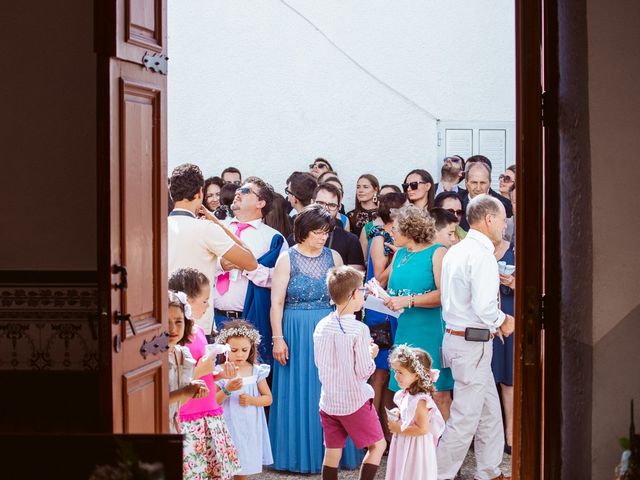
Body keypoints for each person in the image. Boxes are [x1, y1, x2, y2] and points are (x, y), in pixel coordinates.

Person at [269, 205, 362, 473]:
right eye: (317, 232)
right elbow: (276, 302)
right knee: (299, 388)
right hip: (296, 330)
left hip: (330, 328)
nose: (322, 237)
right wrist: (278, 338)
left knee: (332, 386)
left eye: (326, 232)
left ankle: (334, 454)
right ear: (303, 231)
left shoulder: (334, 257)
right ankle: (298, 455)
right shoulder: (287, 259)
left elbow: (345, 297)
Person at [436, 194, 515, 480]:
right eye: (503, 220)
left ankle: (490, 471)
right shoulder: (480, 254)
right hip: (472, 342)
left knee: (489, 412)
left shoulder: (456, 250)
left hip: (461, 338)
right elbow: (485, 308)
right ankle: (438, 475)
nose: (505, 226)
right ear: (489, 219)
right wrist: (504, 321)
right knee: (465, 419)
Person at [314, 266, 386, 480]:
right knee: (378, 445)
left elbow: (320, 362)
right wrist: (371, 354)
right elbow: (363, 371)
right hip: (354, 400)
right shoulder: (359, 329)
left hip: (329, 401)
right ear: (354, 294)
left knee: (332, 452)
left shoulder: (321, 325)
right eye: (362, 290)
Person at [168, 163, 257, 336]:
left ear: (172, 194)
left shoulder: (155, 226)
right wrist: (216, 222)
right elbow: (250, 262)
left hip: (165, 321)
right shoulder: (206, 229)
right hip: (197, 326)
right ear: (200, 193)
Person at [169, 269, 242, 480]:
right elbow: (175, 379)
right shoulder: (175, 339)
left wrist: (219, 375)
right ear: (188, 301)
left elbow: (204, 375)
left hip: (209, 412)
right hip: (188, 417)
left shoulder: (199, 332)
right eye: (204, 301)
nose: (208, 305)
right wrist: (202, 369)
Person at [384, 206, 453, 421]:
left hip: (431, 331)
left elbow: (444, 295)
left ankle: (441, 449)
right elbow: (392, 289)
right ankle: (414, 445)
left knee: (437, 392)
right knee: (406, 389)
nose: (390, 232)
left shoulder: (437, 252)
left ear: (409, 229)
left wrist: (409, 300)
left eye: (395, 228)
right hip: (405, 329)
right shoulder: (400, 254)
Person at [211, 177, 287, 363]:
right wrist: (221, 265)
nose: (238, 193)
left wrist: (248, 267)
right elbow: (199, 265)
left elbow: (279, 282)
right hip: (212, 319)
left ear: (261, 203)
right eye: (239, 189)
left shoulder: (273, 239)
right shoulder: (216, 228)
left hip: (249, 322)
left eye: (246, 191)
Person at [215, 320, 274, 479]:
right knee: (225, 469)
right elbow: (214, 401)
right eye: (234, 350)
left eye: (244, 350)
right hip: (228, 426)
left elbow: (268, 399)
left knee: (243, 470)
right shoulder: (219, 372)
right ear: (225, 349)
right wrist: (228, 390)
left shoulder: (256, 371)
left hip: (249, 428)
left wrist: (251, 400)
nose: (240, 354)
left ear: (251, 349)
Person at [385, 345, 446, 480]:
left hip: (416, 449)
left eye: (401, 372)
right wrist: (399, 413)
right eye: (395, 371)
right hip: (405, 443)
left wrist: (399, 428)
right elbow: (408, 413)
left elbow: (422, 429)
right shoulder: (406, 394)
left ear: (416, 375)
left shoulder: (420, 401)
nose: (396, 376)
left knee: (412, 474)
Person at [290, 183, 365, 272]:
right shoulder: (295, 237)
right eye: (320, 203)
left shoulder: (351, 240)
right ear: (312, 202)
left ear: (339, 207)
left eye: (332, 205)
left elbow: (355, 281)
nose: (325, 208)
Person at [167, 290, 209, 434]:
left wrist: (192, 390)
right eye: (166, 322)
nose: (172, 328)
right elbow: (150, 401)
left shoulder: (182, 354)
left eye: (178, 321)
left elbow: (177, 403)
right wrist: (184, 391)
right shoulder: (152, 357)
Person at [492, 226, 516, 455]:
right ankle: (489, 437)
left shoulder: (514, 251)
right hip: (484, 321)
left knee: (508, 379)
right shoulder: (479, 252)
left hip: (508, 315)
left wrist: (511, 282)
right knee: (487, 380)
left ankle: (510, 434)